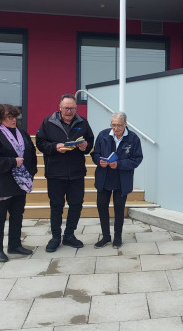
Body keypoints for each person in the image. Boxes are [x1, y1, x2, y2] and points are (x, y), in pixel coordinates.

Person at [36, 94, 94, 252]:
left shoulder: (83, 122)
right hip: (55, 172)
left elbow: (90, 142)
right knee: (56, 206)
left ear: (76, 108)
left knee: (76, 205)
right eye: (66, 108)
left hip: (76, 172)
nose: (69, 111)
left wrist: (85, 147)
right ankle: (55, 237)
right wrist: (55, 147)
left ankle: (69, 235)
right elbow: (40, 143)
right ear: (59, 107)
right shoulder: (48, 122)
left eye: (72, 108)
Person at [0, 104, 37, 263]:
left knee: (17, 215)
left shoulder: (22, 133)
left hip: (20, 183)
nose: (14, 120)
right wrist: (12, 162)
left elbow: (31, 153)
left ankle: (15, 244)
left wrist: (31, 173)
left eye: (15, 116)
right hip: (0, 183)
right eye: (9, 117)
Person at [91, 112, 143, 249]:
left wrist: (119, 164)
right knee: (102, 207)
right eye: (113, 125)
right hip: (104, 178)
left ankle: (118, 237)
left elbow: (137, 159)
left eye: (119, 125)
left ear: (125, 124)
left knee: (119, 209)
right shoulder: (103, 135)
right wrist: (99, 161)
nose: (116, 128)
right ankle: (106, 236)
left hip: (122, 180)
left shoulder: (133, 138)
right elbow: (95, 154)